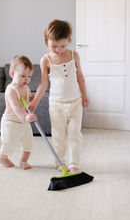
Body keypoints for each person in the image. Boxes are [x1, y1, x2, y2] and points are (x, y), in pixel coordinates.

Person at [28, 19, 89, 173]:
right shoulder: (46, 60)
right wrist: (35, 101)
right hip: (56, 104)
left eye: (63, 46)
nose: (59, 49)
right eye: (54, 46)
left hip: (75, 102)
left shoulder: (74, 55)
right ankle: (60, 163)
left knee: (75, 134)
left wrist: (85, 95)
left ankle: (74, 164)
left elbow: (80, 76)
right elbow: (43, 83)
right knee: (59, 136)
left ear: (68, 41)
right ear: (46, 41)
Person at [0, 55, 37, 170]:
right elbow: (15, 107)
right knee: (9, 143)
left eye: (29, 76)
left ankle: (23, 160)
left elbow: (24, 101)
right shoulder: (11, 90)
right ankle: (3, 157)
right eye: (23, 76)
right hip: (11, 122)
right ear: (12, 74)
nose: (26, 79)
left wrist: (30, 98)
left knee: (28, 143)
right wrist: (25, 117)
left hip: (23, 122)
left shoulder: (26, 87)